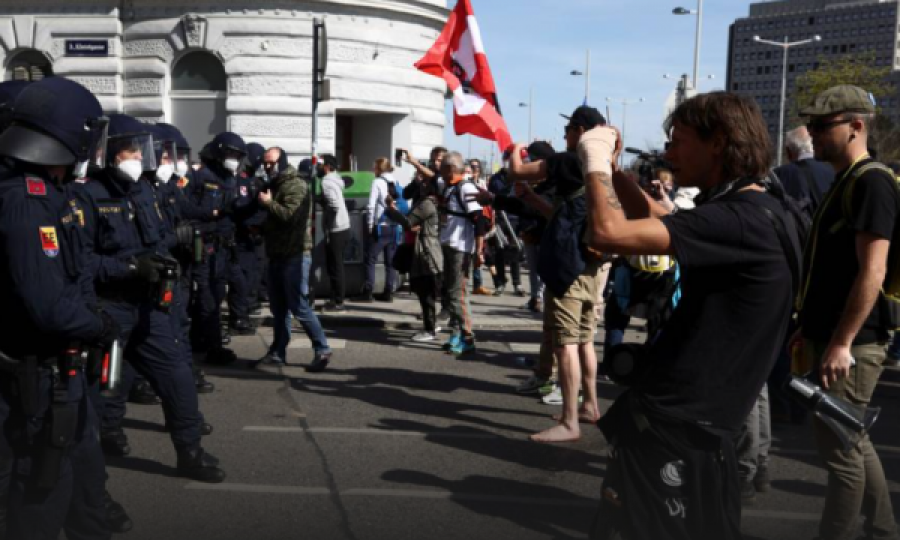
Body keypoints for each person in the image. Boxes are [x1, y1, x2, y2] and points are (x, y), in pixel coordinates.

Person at [582, 93, 796, 540]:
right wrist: (619, 174)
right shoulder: (762, 208)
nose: (669, 153)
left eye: (678, 141)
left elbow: (607, 232)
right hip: (701, 425)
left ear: (717, 142)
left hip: (680, 426)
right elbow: (658, 217)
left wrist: (594, 160)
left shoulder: (737, 220)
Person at [0, 76, 123, 540]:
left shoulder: (46, 193)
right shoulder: (26, 201)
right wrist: (99, 324)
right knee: (44, 484)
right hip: (40, 373)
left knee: (73, 475)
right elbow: (48, 305)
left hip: (61, 371)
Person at [793, 85, 900, 540]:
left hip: (854, 341)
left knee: (841, 455)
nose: (812, 133)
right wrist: (808, 327)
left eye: (822, 125)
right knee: (853, 438)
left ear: (856, 126)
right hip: (833, 335)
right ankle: (883, 530)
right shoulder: (847, 179)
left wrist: (840, 343)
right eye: (812, 126)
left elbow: (871, 273)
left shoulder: (871, 181)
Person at [508, 106, 606, 443]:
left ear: (579, 130)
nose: (564, 136)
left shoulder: (569, 160)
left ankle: (568, 421)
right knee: (585, 341)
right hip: (592, 264)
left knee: (565, 345)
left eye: (567, 130)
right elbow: (562, 214)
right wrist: (535, 200)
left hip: (567, 267)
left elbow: (518, 171)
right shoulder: (602, 166)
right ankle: (590, 406)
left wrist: (514, 147)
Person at [254, 150, 333, 372]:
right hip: (277, 254)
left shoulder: (295, 185)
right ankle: (278, 352)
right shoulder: (276, 184)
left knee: (299, 306)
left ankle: (322, 348)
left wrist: (269, 204)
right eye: (265, 163)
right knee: (278, 309)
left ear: (282, 162)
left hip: (295, 256)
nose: (266, 168)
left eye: (270, 164)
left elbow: (290, 215)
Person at [186, 132, 248, 365]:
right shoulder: (199, 174)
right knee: (207, 296)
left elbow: (234, 210)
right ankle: (211, 346)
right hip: (205, 244)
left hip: (223, 247)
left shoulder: (229, 178)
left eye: (237, 155)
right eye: (231, 153)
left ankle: (201, 339)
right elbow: (187, 209)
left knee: (216, 294)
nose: (234, 158)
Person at [439, 151, 487, 356]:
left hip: (461, 249)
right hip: (450, 246)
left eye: (442, 166)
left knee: (458, 295)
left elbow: (480, 220)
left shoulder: (465, 188)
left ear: (450, 169)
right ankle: (456, 335)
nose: (438, 169)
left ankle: (468, 338)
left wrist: (479, 251)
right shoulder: (451, 188)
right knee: (452, 294)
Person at [385, 181, 444, 341]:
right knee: (424, 290)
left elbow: (408, 222)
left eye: (424, 183)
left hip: (425, 252)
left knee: (425, 291)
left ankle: (430, 329)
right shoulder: (432, 203)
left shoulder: (426, 204)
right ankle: (432, 325)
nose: (421, 185)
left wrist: (391, 209)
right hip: (424, 250)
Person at [363, 157, 401, 302]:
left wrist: (369, 225)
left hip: (380, 227)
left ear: (379, 168)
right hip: (394, 227)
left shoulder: (377, 182)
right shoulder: (395, 182)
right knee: (390, 262)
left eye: (374, 167)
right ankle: (388, 292)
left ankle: (368, 291)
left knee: (370, 258)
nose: (373, 169)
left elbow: (371, 206)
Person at [319, 154, 350, 311]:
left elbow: (334, 204)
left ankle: (338, 301)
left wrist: (327, 226)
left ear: (327, 166)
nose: (320, 167)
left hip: (336, 229)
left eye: (322, 164)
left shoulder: (326, 181)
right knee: (337, 265)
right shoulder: (337, 179)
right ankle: (336, 298)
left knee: (335, 266)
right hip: (345, 226)